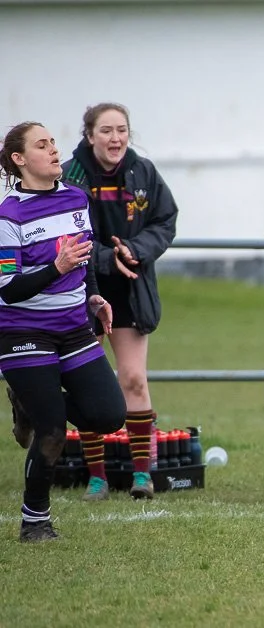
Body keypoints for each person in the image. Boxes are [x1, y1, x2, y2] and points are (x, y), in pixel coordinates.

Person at [1, 122, 127, 542]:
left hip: (73, 327)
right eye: (42, 145)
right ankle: (34, 521)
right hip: (22, 329)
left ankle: (30, 400)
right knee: (53, 431)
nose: (55, 150)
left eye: (53, 142)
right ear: (20, 160)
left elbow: (84, 258)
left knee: (109, 416)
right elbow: (7, 287)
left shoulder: (76, 197)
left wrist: (93, 297)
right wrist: (55, 267)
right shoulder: (8, 214)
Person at [57, 103, 179, 501]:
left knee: (132, 379)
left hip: (130, 288)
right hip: (82, 287)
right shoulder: (70, 177)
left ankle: (142, 475)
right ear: (89, 136)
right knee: (91, 384)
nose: (115, 138)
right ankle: (97, 477)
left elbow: (165, 220)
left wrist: (136, 250)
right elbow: (64, 237)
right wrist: (108, 258)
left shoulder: (143, 171)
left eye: (122, 130)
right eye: (106, 131)